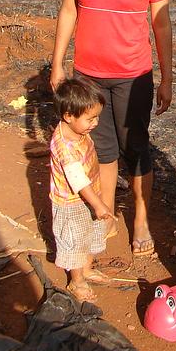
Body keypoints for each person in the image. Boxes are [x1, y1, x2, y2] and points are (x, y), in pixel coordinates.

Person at [50, 0, 175, 257]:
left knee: (134, 148)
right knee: (101, 148)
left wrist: (166, 78)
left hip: (132, 76)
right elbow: (68, 10)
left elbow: (161, 24)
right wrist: (58, 64)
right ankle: (104, 213)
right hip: (88, 76)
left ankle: (140, 220)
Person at [49, 78, 118, 302]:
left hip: (89, 195)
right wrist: (98, 204)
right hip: (72, 203)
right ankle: (76, 280)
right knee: (76, 241)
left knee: (90, 233)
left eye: (97, 117)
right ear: (68, 116)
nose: (95, 123)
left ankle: (87, 269)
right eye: (90, 118)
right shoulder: (64, 148)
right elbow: (77, 180)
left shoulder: (76, 130)